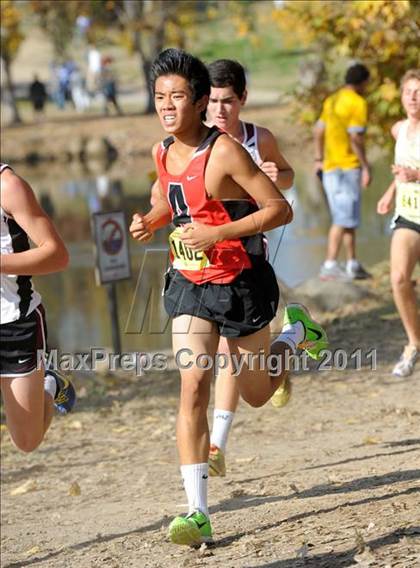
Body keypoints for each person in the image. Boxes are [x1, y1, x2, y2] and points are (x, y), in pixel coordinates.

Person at [130, 48, 328, 547]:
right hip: (189, 284)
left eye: (177, 96)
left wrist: (219, 235)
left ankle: (297, 333)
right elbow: (169, 198)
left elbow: (278, 208)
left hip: (242, 284)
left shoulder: (225, 152)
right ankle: (196, 512)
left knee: (257, 394)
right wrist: (150, 220)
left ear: (198, 100)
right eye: (159, 97)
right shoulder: (162, 151)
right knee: (192, 385)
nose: (167, 106)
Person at [205, 58, 295, 478]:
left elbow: (288, 179)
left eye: (227, 101)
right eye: (213, 101)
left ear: (242, 99)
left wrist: (279, 173)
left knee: (229, 356)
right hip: (208, 266)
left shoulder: (260, 139)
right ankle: (216, 446)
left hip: (249, 261)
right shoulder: (198, 143)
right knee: (226, 357)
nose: (219, 110)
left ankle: (294, 336)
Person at [0, 164, 76, 453]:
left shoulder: (8, 187)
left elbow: (56, 255)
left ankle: (51, 384)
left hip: (13, 320)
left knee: (27, 441)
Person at [377, 69, 420, 377]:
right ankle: (413, 344)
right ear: (402, 97)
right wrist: (390, 191)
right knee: (398, 279)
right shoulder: (397, 130)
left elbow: (411, 171)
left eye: (419, 92)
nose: (414, 98)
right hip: (408, 215)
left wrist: (416, 176)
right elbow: (400, 169)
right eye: (409, 92)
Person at [315, 63, 372, 280]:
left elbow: (318, 130)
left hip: (330, 166)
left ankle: (352, 263)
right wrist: (366, 165)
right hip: (348, 167)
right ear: (363, 82)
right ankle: (329, 264)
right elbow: (356, 137)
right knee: (342, 218)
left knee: (349, 217)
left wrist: (318, 159)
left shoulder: (332, 100)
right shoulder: (358, 103)